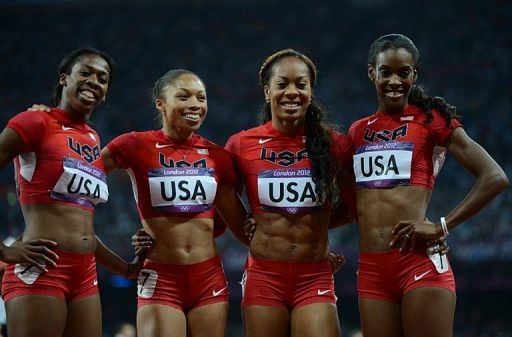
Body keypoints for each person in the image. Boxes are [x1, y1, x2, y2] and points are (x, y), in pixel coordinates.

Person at [349, 33, 509, 337]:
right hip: (371, 270)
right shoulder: (358, 131)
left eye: (403, 72)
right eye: (386, 72)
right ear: (372, 72)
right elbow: (353, 203)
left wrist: (441, 226)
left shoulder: (430, 120)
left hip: (417, 262)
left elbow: (494, 177)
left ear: (414, 74)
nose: (395, 81)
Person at [102, 69, 249, 337]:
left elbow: (240, 228)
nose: (195, 104)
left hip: (209, 277)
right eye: (184, 96)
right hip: (161, 277)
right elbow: (82, 173)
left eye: (201, 98)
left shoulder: (218, 156)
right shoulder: (133, 145)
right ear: (160, 102)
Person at [225, 49, 353, 337]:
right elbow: (221, 199)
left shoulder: (336, 144)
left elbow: (357, 204)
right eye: (283, 84)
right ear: (267, 91)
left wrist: (317, 226)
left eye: (301, 84)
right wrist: (250, 223)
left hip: (314, 275)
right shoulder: (241, 144)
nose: (292, 92)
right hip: (264, 277)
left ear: (310, 91)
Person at [0, 48, 121, 337]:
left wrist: (125, 268)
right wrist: (3, 251)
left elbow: (81, 224)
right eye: (86, 72)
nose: (94, 80)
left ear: (105, 93)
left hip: (85, 274)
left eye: (102, 78)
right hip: (41, 268)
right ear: (64, 79)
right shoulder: (34, 122)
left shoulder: (92, 139)